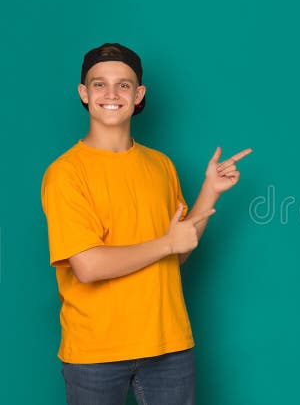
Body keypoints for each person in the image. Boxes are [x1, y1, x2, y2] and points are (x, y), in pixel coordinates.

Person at [41, 43, 252, 404]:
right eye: (99, 84)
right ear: (83, 93)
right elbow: (88, 265)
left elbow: (179, 248)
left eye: (123, 85)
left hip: (169, 346)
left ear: (138, 95)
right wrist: (167, 244)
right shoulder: (66, 174)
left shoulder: (160, 165)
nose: (111, 94)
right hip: (96, 352)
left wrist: (209, 192)